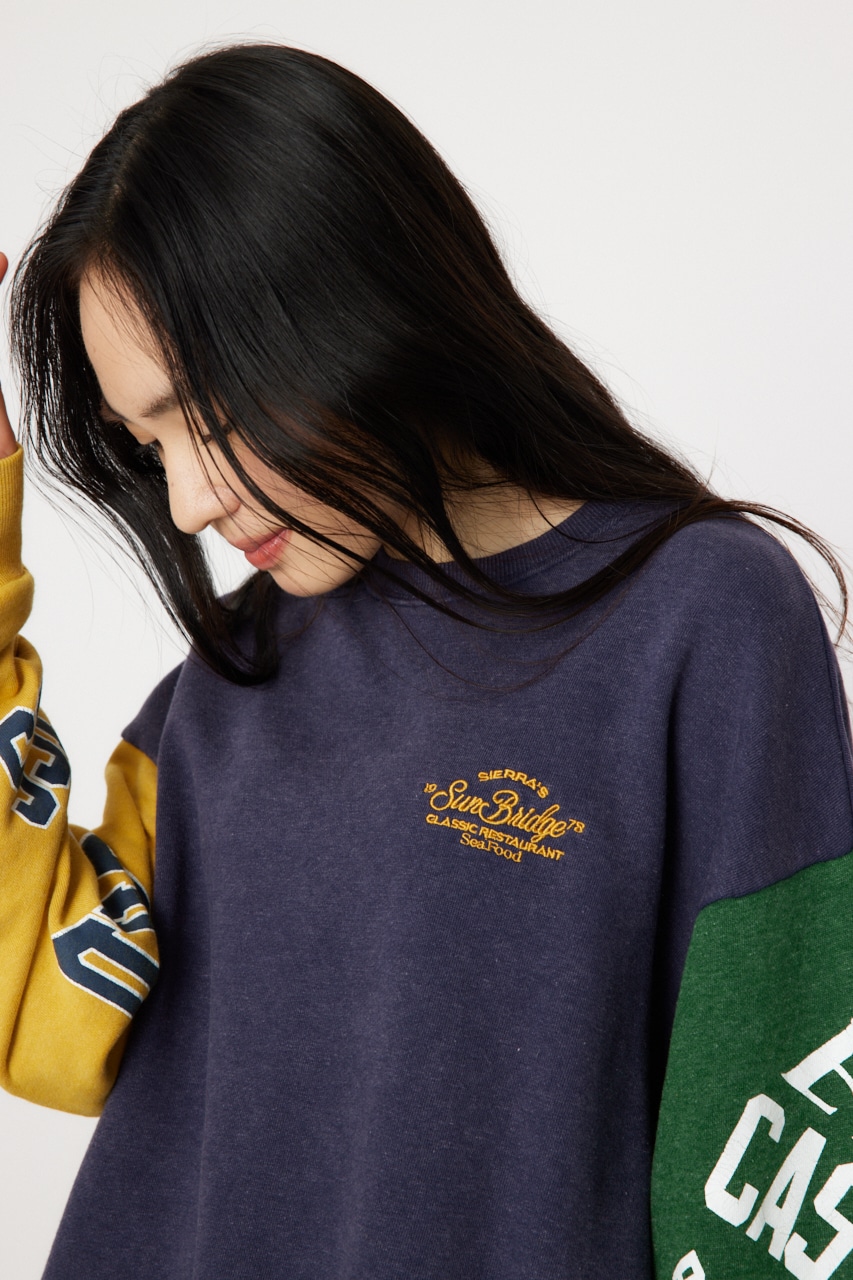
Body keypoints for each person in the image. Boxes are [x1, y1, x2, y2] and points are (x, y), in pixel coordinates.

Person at [0, 42, 850, 1280]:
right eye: (148, 444)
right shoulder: (224, 690)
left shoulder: (699, 619)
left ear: (355, 308)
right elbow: (42, 1009)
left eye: (208, 417)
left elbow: (782, 1136)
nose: (185, 500)